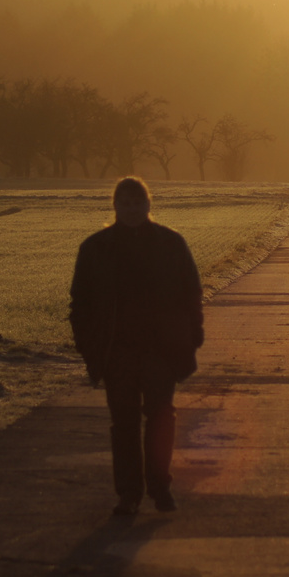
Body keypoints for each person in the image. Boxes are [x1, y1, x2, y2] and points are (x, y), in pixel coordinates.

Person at [69, 177, 204, 516]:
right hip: (118, 351)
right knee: (124, 423)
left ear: (148, 205)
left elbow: (192, 294)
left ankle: (160, 488)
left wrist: (192, 336)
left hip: (162, 348)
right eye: (125, 203)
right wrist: (89, 347)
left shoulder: (172, 244)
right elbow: (80, 303)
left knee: (161, 417)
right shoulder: (95, 248)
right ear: (115, 206)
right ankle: (128, 494)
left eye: (137, 203)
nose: (131, 210)